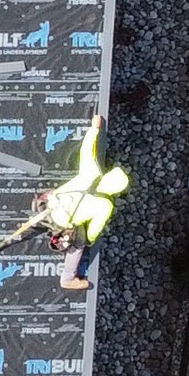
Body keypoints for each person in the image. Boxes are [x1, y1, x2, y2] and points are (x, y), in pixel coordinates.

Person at [37, 116, 131, 290]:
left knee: (53, 196)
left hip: (49, 205)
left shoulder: (92, 171)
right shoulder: (105, 206)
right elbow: (94, 231)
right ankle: (67, 279)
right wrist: (87, 240)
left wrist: (94, 128)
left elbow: (87, 150)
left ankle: (34, 221)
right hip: (63, 223)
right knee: (79, 242)